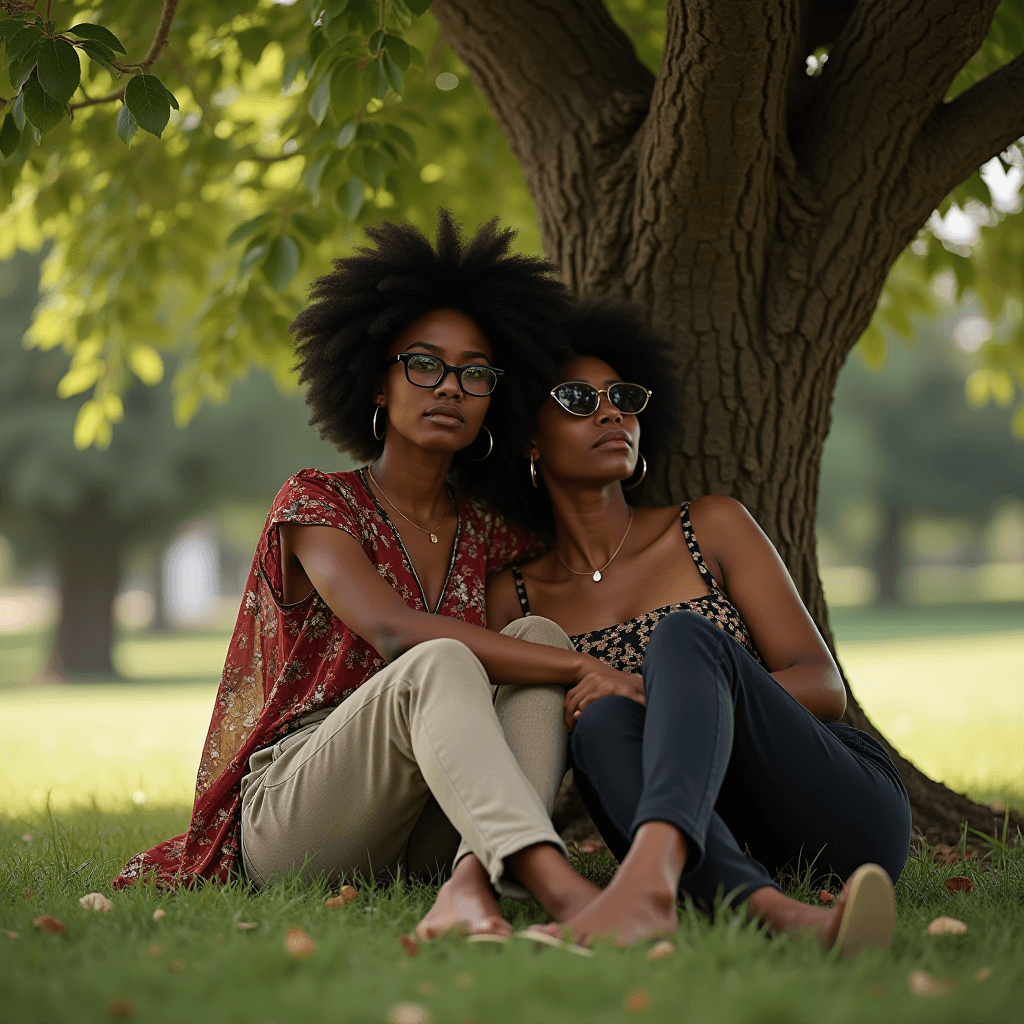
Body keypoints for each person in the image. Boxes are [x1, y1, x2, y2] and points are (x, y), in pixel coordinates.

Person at [112, 214, 641, 941]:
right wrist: (583, 664)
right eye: (423, 364)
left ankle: (470, 885)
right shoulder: (316, 502)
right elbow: (395, 631)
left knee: (535, 634)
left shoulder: (488, 532)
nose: (449, 387)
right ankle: (558, 889)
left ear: (495, 399)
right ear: (376, 382)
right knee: (442, 654)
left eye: (475, 373)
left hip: (419, 823)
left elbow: (582, 574)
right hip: (299, 814)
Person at [485, 300, 913, 953]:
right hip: (710, 831)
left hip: (828, 804)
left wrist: (649, 687)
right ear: (529, 438)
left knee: (683, 639)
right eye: (576, 399)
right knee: (598, 724)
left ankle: (647, 883)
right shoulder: (514, 598)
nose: (611, 412)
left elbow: (823, 685)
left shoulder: (709, 526)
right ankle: (780, 914)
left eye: (622, 397)